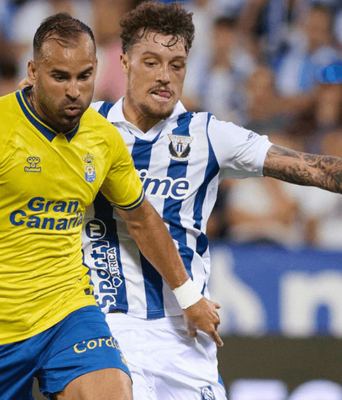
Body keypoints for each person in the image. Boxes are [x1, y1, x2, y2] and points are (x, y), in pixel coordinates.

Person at [0, 13, 221, 400]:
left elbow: (142, 218)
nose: (74, 91)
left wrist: (188, 297)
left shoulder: (102, 138)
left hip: (68, 311)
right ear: (33, 72)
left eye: (84, 76)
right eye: (60, 77)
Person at [79, 2, 342, 399]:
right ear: (125, 62)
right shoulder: (86, 129)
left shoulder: (209, 135)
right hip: (109, 326)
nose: (165, 76)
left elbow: (313, 168)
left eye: (177, 65)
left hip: (187, 332)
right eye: (151, 62)